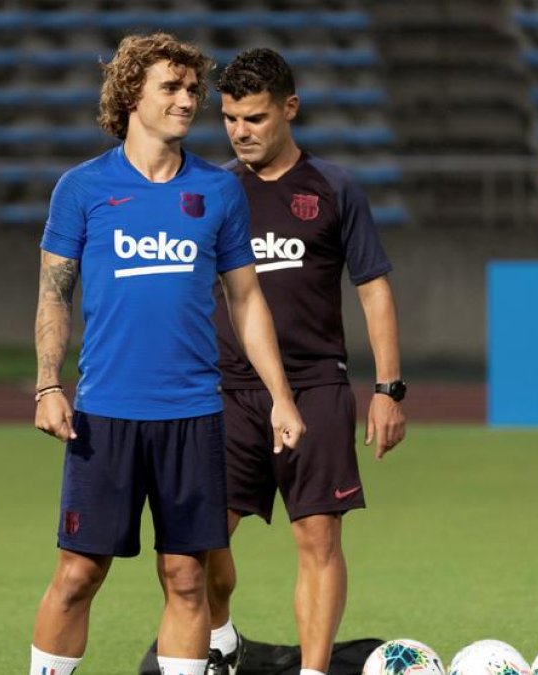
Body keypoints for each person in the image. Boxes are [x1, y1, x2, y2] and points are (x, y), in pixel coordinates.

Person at [30, 34, 306, 675]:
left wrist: (281, 398)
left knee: (187, 578)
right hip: (107, 414)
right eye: (171, 88)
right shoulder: (82, 189)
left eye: (192, 90)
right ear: (131, 95)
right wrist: (48, 385)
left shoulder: (219, 191)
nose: (188, 100)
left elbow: (246, 302)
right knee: (78, 574)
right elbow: (53, 297)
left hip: (193, 415)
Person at [204, 48, 408, 675]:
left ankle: (314, 672)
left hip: (318, 386)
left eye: (256, 118)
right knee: (198, 542)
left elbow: (372, 288)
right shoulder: (212, 193)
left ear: (289, 109)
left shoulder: (335, 189)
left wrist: (389, 388)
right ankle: (221, 639)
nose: (241, 132)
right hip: (229, 391)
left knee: (318, 539)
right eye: (232, 118)